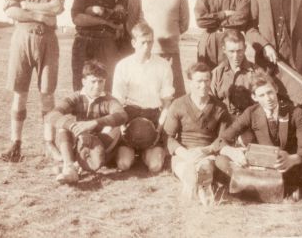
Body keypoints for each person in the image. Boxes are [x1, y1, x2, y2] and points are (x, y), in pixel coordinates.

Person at [0, 0, 65, 162]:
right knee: (20, 94)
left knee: (47, 94)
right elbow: (10, 10)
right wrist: (38, 15)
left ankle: (49, 142)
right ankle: (15, 143)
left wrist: (27, 5)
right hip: (22, 38)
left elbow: (56, 7)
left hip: (48, 40)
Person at [215, 70, 302, 197]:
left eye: (270, 92)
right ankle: (283, 187)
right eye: (262, 95)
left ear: (276, 89)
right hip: (259, 166)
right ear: (254, 97)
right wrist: (231, 152)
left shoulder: (295, 113)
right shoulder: (251, 112)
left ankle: (256, 186)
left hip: (285, 167)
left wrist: (292, 159)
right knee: (220, 160)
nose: (268, 98)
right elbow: (222, 140)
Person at [44, 60, 128, 184]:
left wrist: (94, 123)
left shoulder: (108, 99)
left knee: (114, 130)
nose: (97, 86)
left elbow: (122, 115)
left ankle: (75, 165)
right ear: (84, 82)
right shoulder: (76, 97)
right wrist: (71, 126)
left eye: (101, 81)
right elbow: (52, 114)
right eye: (93, 81)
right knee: (64, 126)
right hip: (80, 141)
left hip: (100, 143)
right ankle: (69, 168)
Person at [163, 62, 231, 205]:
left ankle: (204, 185)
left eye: (207, 80)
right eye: (198, 81)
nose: (203, 85)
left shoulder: (220, 108)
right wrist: (185, 153)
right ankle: (190, 181)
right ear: (190, 82)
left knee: (205, 167)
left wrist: (206, 150)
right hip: (184, 153)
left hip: (208, 152)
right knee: (186, 169)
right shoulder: (178, 104)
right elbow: (169, 137)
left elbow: (223, 138)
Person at [127, 0, 189, 98]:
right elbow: (131, 24)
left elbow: (184, 24)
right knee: (147, 96)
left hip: (171, 54)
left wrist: (168, 36)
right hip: (147, 54)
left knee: (173, 96)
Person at [112, 22, 174, 172]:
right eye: (143, 42)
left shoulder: (163, 65)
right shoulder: (123, 65)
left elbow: (166, 103)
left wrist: (159, 128)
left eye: (150, 42)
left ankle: (148, 151)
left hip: (153, 116)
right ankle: (131, 151)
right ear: (134, 43)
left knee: (155, 166)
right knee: (123, 164)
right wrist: (122, 128)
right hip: (129, 116)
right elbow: (117, 102)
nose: (147, 46)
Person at [71, 0, 125, 92]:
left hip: (107, 43)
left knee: (108, 84)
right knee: (81, 84)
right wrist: (107, 22)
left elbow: (120, 18)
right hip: (83, 43)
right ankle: (82, 114)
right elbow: (77, 18)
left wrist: (94, 10)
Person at [211, 30, 256, 116]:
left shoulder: (256, 72)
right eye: (231, 51)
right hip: (224, 120)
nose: (236, 56)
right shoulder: (217, 73)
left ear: (245, 48)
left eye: (239, 51)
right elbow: (211, 102)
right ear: (224, 50)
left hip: (249, 121)